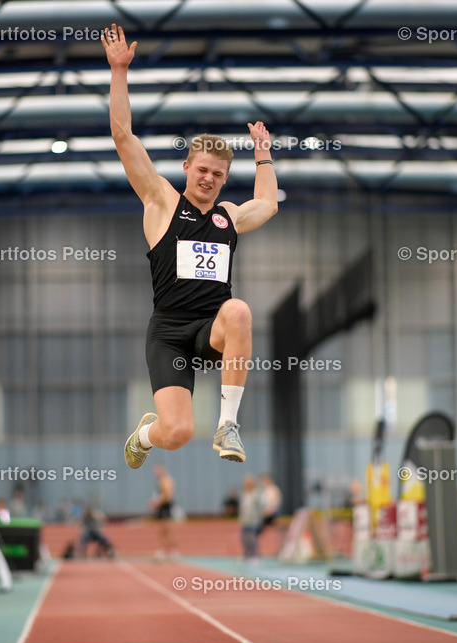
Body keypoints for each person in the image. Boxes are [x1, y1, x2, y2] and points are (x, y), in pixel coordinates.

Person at [103, 24, 280, 469]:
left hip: (211, 330)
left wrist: (263, 155)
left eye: (218, 175)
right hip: (169, 334)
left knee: (238, 309)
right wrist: (119, 72)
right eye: (202, 170)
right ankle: (144, 434)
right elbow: (124, 138)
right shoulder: (161, 200)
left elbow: (267, 204)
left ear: (224, 178)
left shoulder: (228, 216)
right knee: (178, 433)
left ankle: (228, 425)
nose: (209, 179)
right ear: (187, 166)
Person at [150, 464, 178, 560]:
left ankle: (171, 551)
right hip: (163, 507)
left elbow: (167, 495)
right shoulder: (162, 480)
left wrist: (157, 503)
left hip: (165, 507)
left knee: (166, 530)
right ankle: (166, 551)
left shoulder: (165, 480)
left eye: (158, 470)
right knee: (163, 531)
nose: (156, 473)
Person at [239, 475, 263, 565]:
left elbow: (260, 508)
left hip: (253, 521)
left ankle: (254, 556)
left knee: (252, 539)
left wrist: (259, 519)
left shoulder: (256, 494)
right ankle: (246, 556)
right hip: (245, 520)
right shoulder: (244, 494)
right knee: (244, 539)